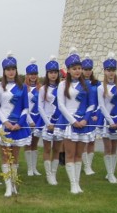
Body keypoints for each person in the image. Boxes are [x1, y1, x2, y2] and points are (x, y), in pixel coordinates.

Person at [0, 53, 31, 197]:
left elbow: (26, 107)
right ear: (4, 71)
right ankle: (7, 186)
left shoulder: (23, 87)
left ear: (16, 70)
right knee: (5, 155)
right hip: (4, 124)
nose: (11, 71)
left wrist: (19, 124)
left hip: (18, 126)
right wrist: (6, 122)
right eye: (8, 69)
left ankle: (14, 183)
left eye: (13, 69)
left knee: (15, 156)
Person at [55, 49, 93, 194]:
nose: (77, 71)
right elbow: (61, 105)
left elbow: (91, 104)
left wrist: (84, 119)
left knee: (79, 154)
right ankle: (72, 184)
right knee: (70, 154)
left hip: (83, 123)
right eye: (74, 68)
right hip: (69, 123)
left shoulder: (87, 85)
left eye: (79, 68)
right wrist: (72, 121)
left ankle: (78, 183)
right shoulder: (62, 85)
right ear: (69, 70)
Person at [98, 53, 117, 183]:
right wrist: (110, 121)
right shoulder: (101, 87)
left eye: (113, 70)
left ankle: (111, 172)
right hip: (106, 121)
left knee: (115, 148)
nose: (111, 73)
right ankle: (110, 173)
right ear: (105, 71)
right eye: (108, 70)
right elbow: (101, 106)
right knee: (107, 148)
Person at [39, 56, 63, 185]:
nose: (53, 75)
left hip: (59, 122)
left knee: (57, 149)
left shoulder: (63, 87)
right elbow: (40, 106)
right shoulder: (43, 89)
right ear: (47, 74)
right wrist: (48, 123)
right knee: (47, 149)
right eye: (50, 72)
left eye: (55, 72)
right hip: (47, 122)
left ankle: (54, 173)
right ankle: (48, 175)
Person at [24, 59, 44, 177]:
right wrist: (29, 119)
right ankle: (29, 168)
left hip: (38, 118)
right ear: (27, 75)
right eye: (31, 74)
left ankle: (35, 167)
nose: (33, 76)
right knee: (28, 142)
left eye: (35, 74)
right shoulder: (23, 88)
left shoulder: (41, 88)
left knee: (35, 143)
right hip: (27, 118)